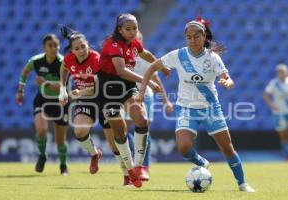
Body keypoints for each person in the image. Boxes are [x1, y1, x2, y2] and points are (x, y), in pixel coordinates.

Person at [138, 17, 255, 192]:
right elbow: (151, 68)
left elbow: (225, 77)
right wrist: (141, 92)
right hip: (186, 107)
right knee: (183, 147)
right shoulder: (178, 55)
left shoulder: (212, 57)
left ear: (204, 36)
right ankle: (202, 163)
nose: (192, 40)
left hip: (210, 108)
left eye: (196, 36)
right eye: (189, 37)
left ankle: (242, 183)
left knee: (227, 148)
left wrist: (228, 82)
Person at [97, 13, 168, 188]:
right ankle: (129, 172)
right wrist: (148, 81)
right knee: (119, 134)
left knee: (141, 119)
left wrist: (162, 65)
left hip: (128, 87)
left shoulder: (135, 43)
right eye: (128, 29)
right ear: (119, 29)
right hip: (108, 91)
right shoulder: (112, 44)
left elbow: (146, 54)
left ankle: (139, 166)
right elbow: (120, 71)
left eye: (135, 28)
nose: (132, 32)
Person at [59, 26, 113, 174]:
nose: (81, 50)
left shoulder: (96, 59)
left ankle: (128, 172)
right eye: (77, 48)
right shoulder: (69, 59)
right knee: (80, 131)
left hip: (103, 99)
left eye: (83, 46)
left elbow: (98, 88)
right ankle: (94, 153)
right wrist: (62, 89)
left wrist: (79, 92)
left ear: (88, 44)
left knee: (114, 144)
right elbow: (64, 68)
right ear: (72, 51)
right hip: (85, 100)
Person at [16, 34, 69, 175]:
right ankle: (42, 155)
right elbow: (25, 72)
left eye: (56, 45)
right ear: (44, 47)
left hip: (60, 102)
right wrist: (20, 90)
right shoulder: (36, 61)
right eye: (50, 45)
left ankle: (63, 166)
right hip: (43, 100)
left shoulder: (64, 62)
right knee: (42, 130)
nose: (54, 48)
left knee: (60, 140)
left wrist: (45, 83)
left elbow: (65, 87)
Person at [126, 31, 173, 181]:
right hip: (128, 97)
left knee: (145, 130)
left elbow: (158, 82)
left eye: (137, 41)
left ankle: (144, 167)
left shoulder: (147, 61)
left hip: (146, 96)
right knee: (124, 131)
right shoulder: (123, 59)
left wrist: (166, 101)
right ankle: (137, 157)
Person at [264, 63, 288, 161]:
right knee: (283, 134)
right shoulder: (274, 83)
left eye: (283, 72)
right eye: (279, 72)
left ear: (287, 72)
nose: (281, 74)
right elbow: (266, 95)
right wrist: (271, 105)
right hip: (279, 113)